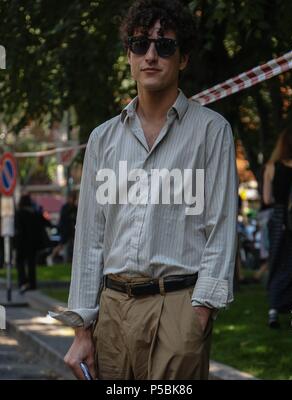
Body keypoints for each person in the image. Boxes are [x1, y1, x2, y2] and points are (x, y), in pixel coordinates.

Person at [51, 0, 238, 380]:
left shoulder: (211, 131)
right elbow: (90, 237)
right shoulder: (102, 139)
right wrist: (82, 328)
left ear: (183, 58)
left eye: (164, 46)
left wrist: (199, 314)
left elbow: (221, 228)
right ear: (129, 56)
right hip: (113, 310)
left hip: (179, 307)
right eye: (140, 44)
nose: (151, 55)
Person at [263, 121, 292, 328]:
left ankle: (273, 310)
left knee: (277, 263)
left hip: (278, 221)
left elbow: (267, 199)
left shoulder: (272, 167)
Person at [15, 193, 50, 293]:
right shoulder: (34, 213)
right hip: (33, 244)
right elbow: (46, 223)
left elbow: (18, 229)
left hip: (22, 243)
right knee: (31, 264)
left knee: (20, 262)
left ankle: (23, 281)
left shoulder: (20, 213)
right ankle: (32, 283)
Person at [47, 191, 77, 265]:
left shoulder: (74, 208)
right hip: (65, 230)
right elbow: (64, 220)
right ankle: (51, 257)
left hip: (72, 230)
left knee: (72, 245)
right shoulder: (65, 207)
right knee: (61, 245)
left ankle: (70, 261)